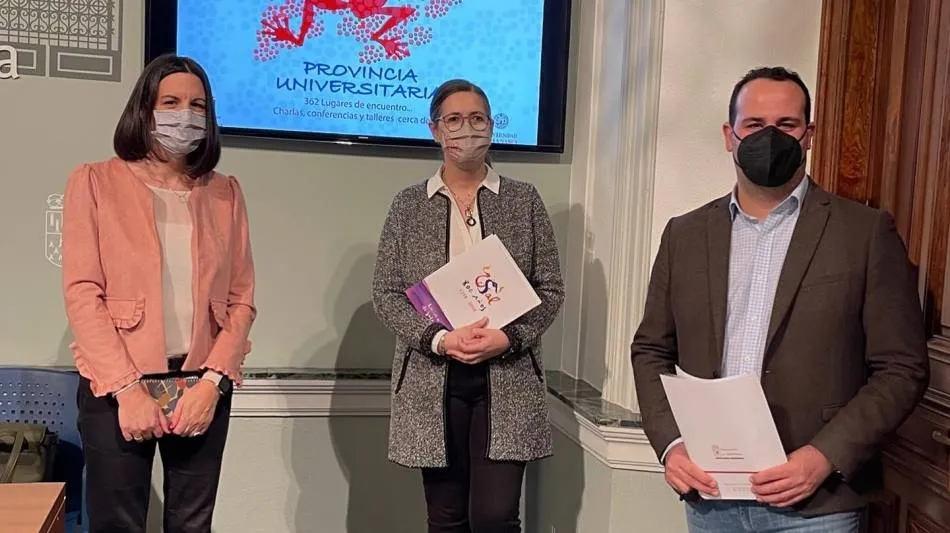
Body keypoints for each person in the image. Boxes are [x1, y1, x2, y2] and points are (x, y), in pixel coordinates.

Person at [631, 66, 929, 532]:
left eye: (786, 125)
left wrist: (825, 456)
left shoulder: (865, 234)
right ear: (730, 136)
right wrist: (670, 444)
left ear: (808, 135)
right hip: (711, 496)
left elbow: (902, 367)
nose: (769, 137)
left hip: (817, 503)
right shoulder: (684, 234)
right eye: (753, 125)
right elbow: (651, 349)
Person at [62, 54, 256, 533]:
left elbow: (241, 299)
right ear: (144, 109)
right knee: (118, 523)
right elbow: (83, 292)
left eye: (197, 105)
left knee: (193, 523)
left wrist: (212, 384)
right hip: (117, 385)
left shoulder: (226, 192)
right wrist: (128, 390)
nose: (184, 115)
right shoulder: (94, 181)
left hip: (202, 384)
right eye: (170, 102)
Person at [372, 79, 565, 533]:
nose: (467, 129)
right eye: (454, 120)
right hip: (431, 378)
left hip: (508, 377)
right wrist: (438, 339)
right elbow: (386, 292)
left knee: (496, 518)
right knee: (445, 518)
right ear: (435, 130)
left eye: (477, 118)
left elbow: (550, 289)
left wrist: (507, 337)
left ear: (492, 127)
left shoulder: (525, 200)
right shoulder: (407, 206)